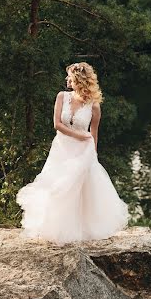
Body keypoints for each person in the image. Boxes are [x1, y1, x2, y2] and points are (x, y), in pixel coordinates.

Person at [16, 62, 130, 244]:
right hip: (61, 148)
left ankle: (80, 228)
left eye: (69, 76)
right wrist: (78, 135)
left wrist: (93, 157)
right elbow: (57, 125)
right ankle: (52, 227)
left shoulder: (94, 106)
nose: (66, 79)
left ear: (78, 79)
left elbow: (94, 135)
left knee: (79, 190)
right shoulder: (62, 96)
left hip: (83, 151)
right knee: (57, 188)